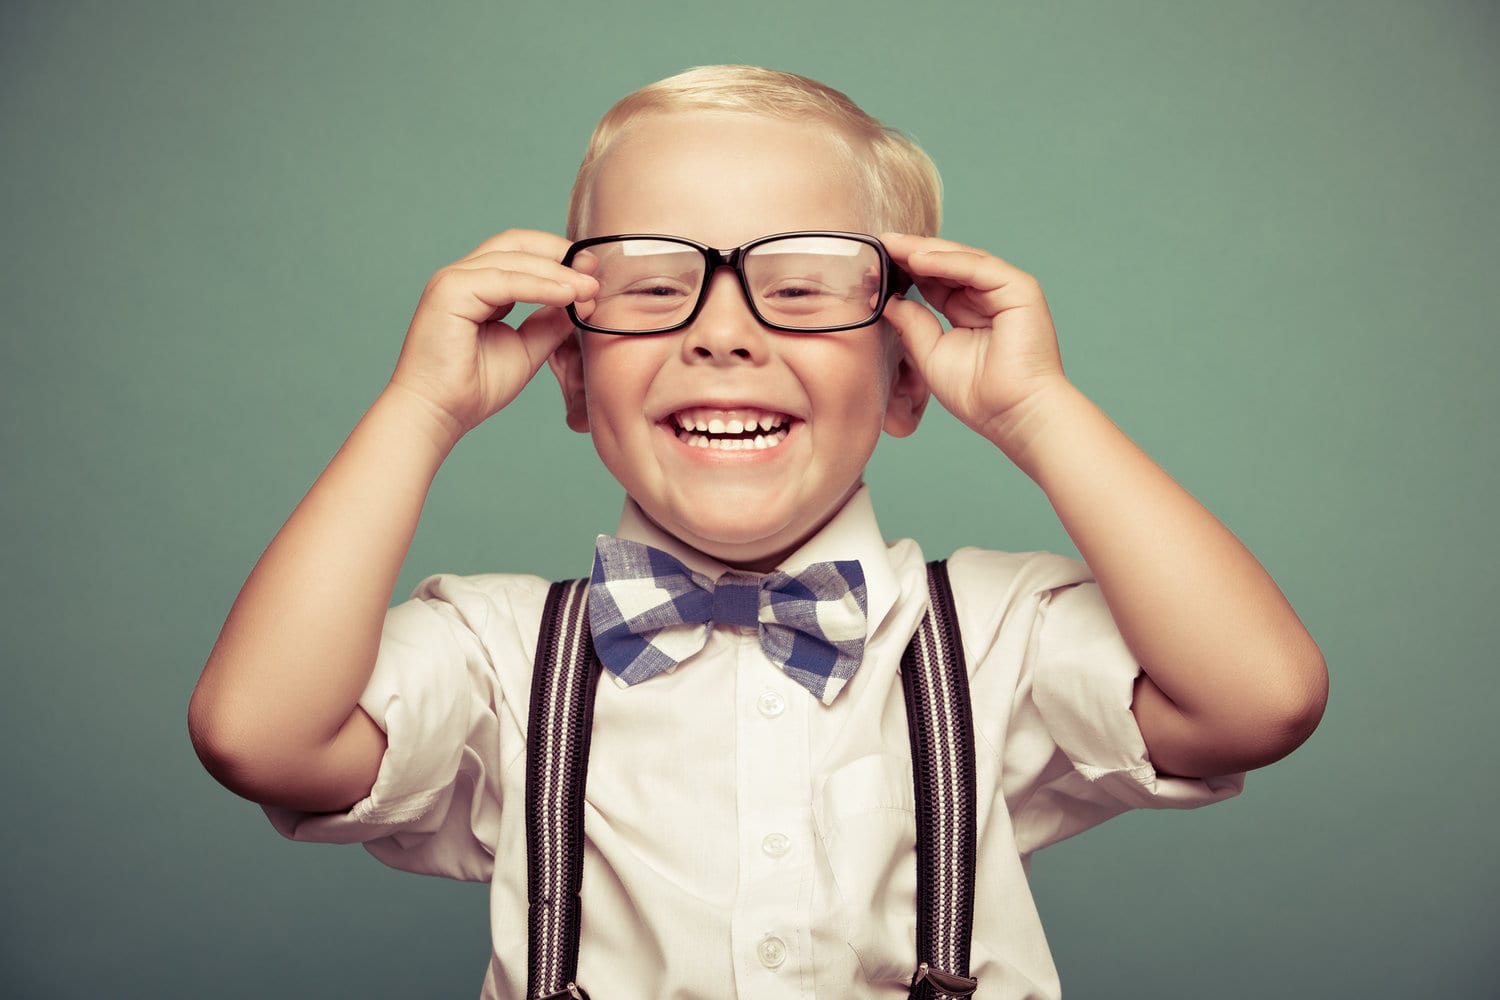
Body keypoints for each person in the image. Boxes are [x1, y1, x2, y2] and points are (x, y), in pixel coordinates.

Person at [189, 65, 1328, 999]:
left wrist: (1040, 412)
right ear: (573, 374)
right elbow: (262, 735)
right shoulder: (499, 656)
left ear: (906, 377)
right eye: (648, 285)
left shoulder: (992, 636)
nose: (723, 333)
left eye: (801, 287)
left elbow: (1257, 699)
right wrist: (418, 412)